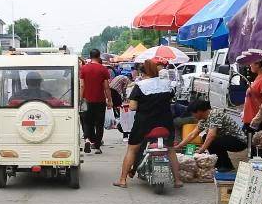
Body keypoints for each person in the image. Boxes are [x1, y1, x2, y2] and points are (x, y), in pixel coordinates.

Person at [113, 59, 183, 188]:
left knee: (132, 149)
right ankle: (177, 180)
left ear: (142, 72)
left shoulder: (140, 86)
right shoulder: (167, 84)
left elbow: (133, 107)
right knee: (170, 150)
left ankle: (122, 180)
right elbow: (171, 98)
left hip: (144, 123)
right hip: (165, 122)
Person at [175, 100, 247, 172]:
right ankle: (219, 165)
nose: (193, 116)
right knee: (205, 137)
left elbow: (211, 135)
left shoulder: (215, 114)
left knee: (213, 140)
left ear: (199, 111)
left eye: (193, 113)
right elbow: (193, 134)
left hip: (239, 141)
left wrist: (201, 150)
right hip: (226, 139)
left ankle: (226, 165)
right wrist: (179, 146)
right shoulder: (203, 119)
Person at [80, 49, 112, 154]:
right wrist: (109, 100)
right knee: (99, 124)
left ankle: (87, 140)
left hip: (86, 100)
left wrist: (81, 99)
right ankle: (97, 147)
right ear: (98, 57)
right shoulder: (103, 69)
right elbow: (106, 87)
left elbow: (82, 85)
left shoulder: (84, 69)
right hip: (100, 101)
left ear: (90, 56)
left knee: (87, 122)